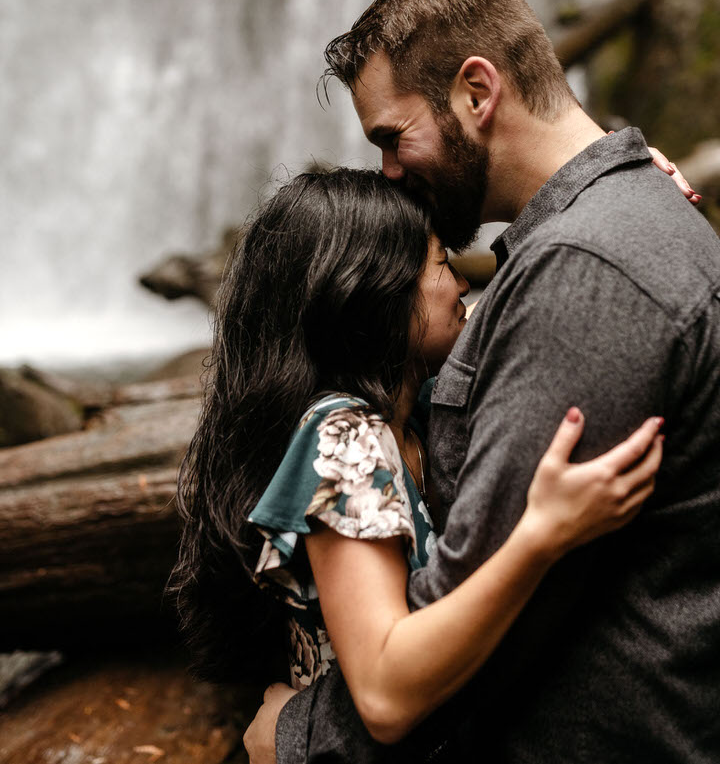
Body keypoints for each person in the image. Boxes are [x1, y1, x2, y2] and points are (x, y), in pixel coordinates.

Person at [246, 0, 720, 764]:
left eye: (393, 139)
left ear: (477, 91)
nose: (389, 172)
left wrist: (298, 738)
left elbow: (480, 612)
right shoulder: (599, 231)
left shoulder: (587, 271)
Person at [170, 167, 663, 756]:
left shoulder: (423, 409)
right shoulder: (347, 435)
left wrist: (625, 186)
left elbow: (540, 303)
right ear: (374, 291)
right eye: (440, 265)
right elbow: (382, 694)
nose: (461, 287)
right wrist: (541, 536)